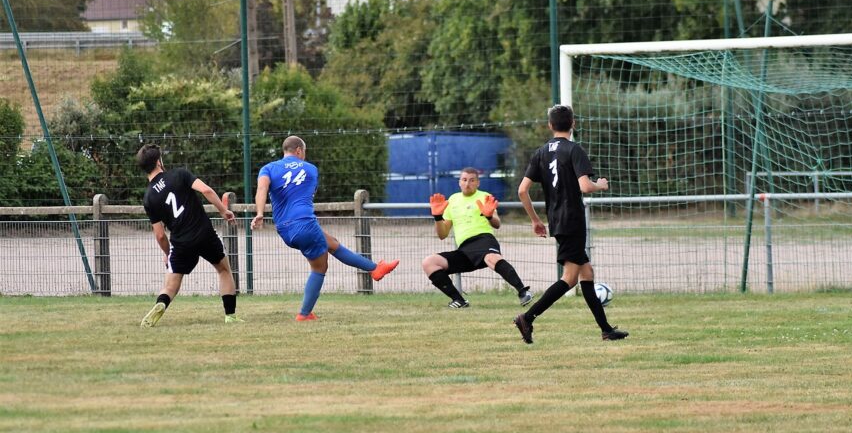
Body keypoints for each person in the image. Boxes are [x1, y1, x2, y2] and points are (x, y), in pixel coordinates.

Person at [514, 105, 628, 344]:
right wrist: (601, 185)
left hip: (557, 219)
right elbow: (585, 186)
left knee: (586, 274)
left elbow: (522, 190)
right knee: (569, 278)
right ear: (573, 124)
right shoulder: (574, 150)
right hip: (573, 220)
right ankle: (527, 317)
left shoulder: (541, 152)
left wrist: (535, 220)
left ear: (550, 125)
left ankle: (606, 329)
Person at [252, 135, 399, 321]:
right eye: (304, 152)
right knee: (320, 267)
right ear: (299, 150)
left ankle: (374, 269)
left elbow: (262, 189)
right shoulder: (311, 169)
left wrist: (259, 213)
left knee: (332, 243)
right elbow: (308, 193)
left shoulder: (268, 168)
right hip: (305, 222)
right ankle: (304, 314)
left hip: (284, 228)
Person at [138, 143, 242, 327]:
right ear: (158, 162)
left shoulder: (148, 198)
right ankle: (230, 316)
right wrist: (223, 211)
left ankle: (161, 303)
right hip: (204, 233)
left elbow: (160, 235)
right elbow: (206, 190)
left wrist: (167, 253)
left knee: (170, 286)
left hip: (181, 243)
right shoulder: (179, 174)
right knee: (224, 270)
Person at [422, 167, 533, 309]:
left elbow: (497, 224)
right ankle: (459, 301)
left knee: (491, 258)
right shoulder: (453, 200)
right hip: (465, 250)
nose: (467, 183)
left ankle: (523, 292)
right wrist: (437, 217)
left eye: (472, 180)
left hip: (484, 240)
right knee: (429, 262)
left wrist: (489, 216)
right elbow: (442, 235)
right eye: (464, 180)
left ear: (478, 183)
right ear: (459, 182)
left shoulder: (484, 196)